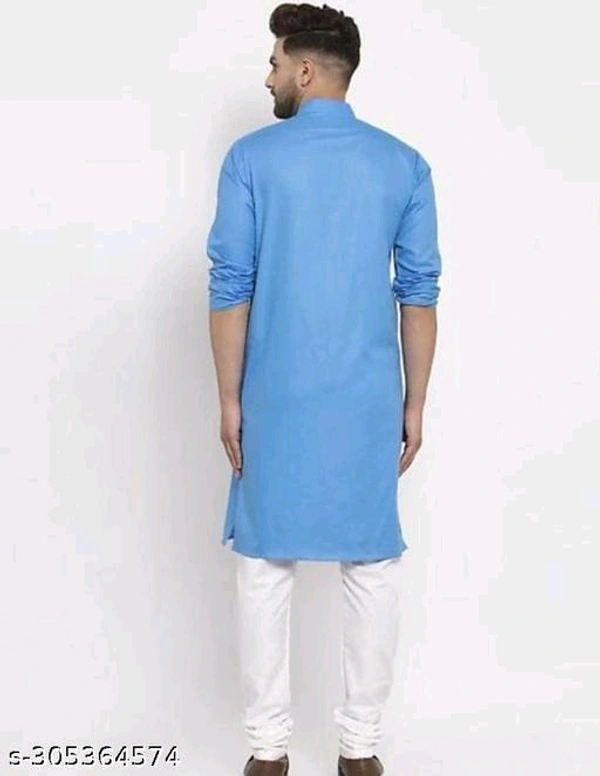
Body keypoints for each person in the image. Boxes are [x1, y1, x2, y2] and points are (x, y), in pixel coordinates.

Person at [206, 3, 442, 774]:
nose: (269, 76)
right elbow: (419, 292)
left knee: (263, 566)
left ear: (305, 70)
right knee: (371, 566)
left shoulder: (251, 159)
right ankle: (360, 750)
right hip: (367, 398)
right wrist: (414, 401)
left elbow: (231, 283)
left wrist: (230, 398)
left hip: (274, 396)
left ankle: (267, 751)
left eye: (275, 63)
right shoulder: (404, 164)